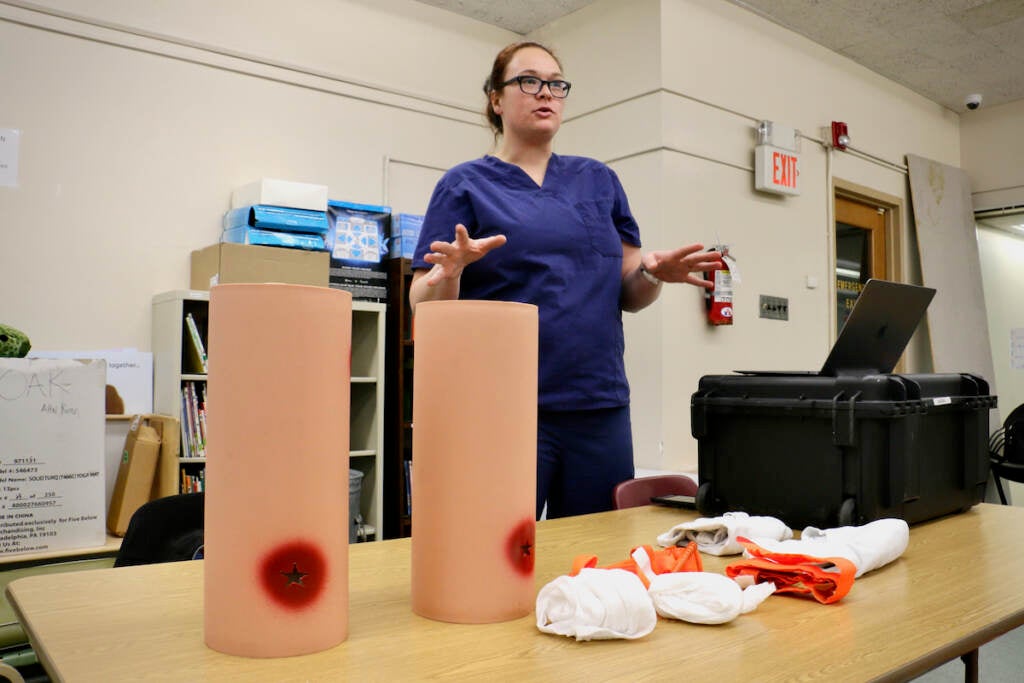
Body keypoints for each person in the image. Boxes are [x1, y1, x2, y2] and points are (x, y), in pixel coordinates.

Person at [409, 41, 721, 519]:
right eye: (528, 81)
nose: (546, 93)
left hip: (598, 405)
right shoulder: (465, 184)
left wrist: (654, 275)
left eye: (556, 83)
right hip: (505, 409)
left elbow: (630, 292)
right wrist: (447, 273)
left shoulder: (598, 181)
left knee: (593, 560)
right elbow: (422, 303)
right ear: (496, 99)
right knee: (497, 555)